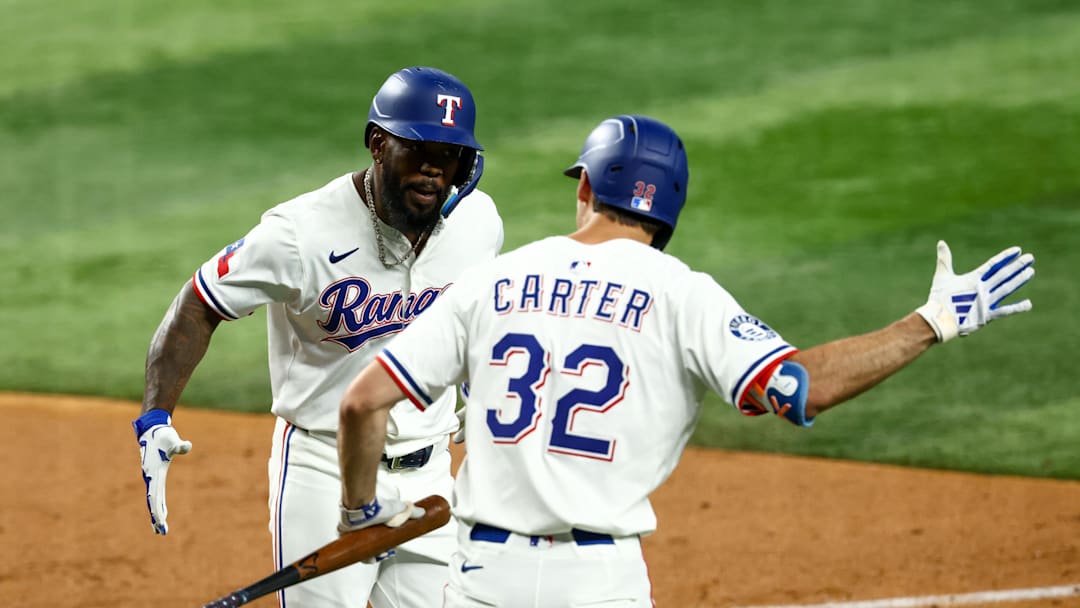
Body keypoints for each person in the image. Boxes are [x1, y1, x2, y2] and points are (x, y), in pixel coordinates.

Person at [334, 115, 1035, 606]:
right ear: (668, 214)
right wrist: (932, 322)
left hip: (483, 577)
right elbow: (800, 390)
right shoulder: (683, 294)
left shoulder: (498, 277)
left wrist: (361, 512)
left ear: (585, 188)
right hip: (600, 585)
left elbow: (362, 402)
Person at [132, 66, 504, 608]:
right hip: (321, 471)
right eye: (418, 149)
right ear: (378, 144)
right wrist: (154, 416)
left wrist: (472, 386)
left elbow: (469, 312)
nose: (433, 169)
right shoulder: (299, 233)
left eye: (449, 155)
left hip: (430, 476)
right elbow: (199, 302)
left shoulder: (478, 224)